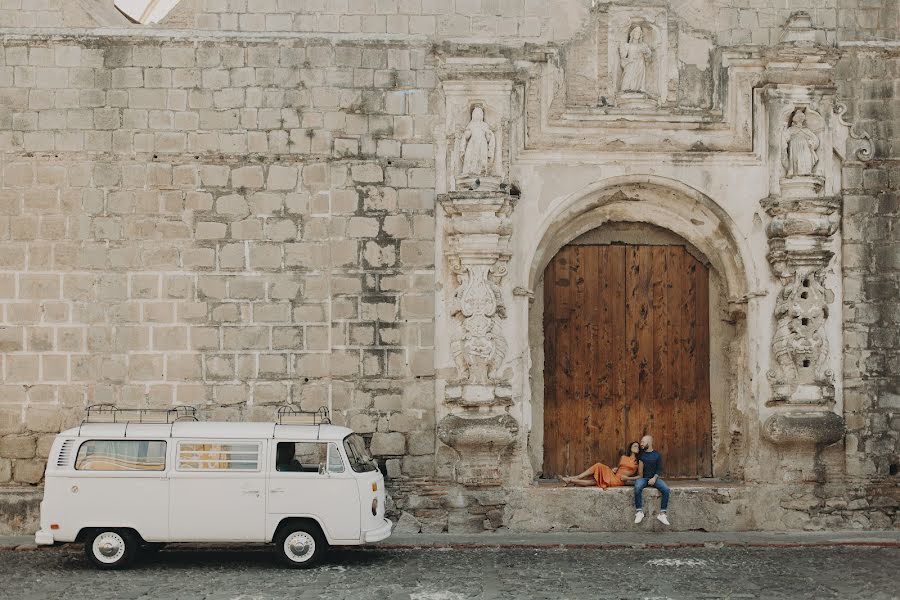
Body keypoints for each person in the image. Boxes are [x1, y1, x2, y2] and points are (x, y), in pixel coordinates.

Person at [562, 441, 641, 489]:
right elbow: (619, 468)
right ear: (630, 448)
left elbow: (640, 476)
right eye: (635, 446)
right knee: (593, 482)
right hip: (613, 475)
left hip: (619, 480)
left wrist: (628, 478)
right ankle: (571, 480)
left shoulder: (638, 462)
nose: (636, 447)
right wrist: (614, 469)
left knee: (598, 467)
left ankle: (573, 478)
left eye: (638, 446)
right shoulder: (623, 457)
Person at [633, 435, 670, 526]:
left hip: (654, 478)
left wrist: (654, 478)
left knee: (666, 489)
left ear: (649, 443)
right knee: (637, 487)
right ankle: (639, 512)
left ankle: (662, 514)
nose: (641, 444)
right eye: (641, 442)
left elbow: (659, 469)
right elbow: (638, 470)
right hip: (643, 478)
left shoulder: (657, 455)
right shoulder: (641, 455)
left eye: (643, 442)